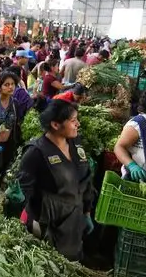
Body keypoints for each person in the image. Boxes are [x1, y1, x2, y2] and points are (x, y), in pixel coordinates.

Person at [17, 99, 93, 261]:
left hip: (74, 222)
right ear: (56, 125)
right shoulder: (36, 153)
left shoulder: (75, 144)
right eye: (73, 121)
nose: (77, 124)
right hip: (48, 227)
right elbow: (24, 192)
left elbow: (86, 179)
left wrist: (87, 210)